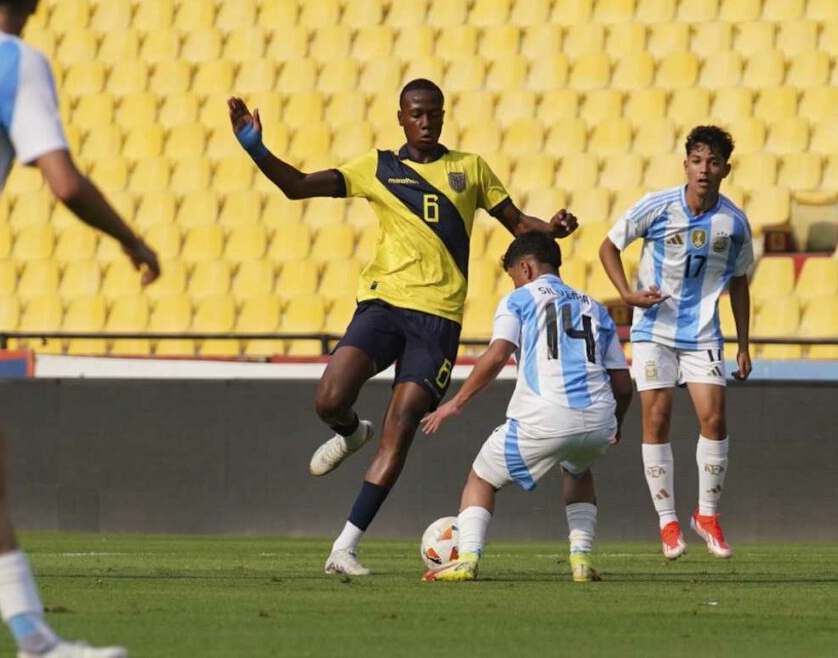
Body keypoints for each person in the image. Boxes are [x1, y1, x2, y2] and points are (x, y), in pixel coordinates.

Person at [228, 79, 578, 576]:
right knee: (328, 399)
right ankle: (350, 433)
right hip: (384, 307)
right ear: (400, 117)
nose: (427, 122)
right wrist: (256, 148)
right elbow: (297, 187)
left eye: (434, 113)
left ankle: (344, 548)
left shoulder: (470, 169)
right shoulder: (377, 168)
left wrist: (551, 228)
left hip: (437, 321)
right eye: (417, 114)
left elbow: (517, 222)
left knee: (403, 423)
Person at [0, 0, 160, 656]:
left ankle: (33, 636)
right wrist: (130, 238)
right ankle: (35, 640)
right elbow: (62, 181)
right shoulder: (15, 60)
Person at [419, 232, 633, 582]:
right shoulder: (596, 307)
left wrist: (455, 403)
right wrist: (616, 424)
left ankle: (467, 559)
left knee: (481, 477)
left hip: (545, 417)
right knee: (577, 470)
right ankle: (581, 560)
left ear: (526, 267)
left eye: (513, 275)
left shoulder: (519, 299)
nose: (514, 281)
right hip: (599, 419)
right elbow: (623, 385)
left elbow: (498, 353)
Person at [598, 125, 752, 561]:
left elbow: (739, 282)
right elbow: (608, 246)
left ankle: (706, 515)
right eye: (697, 161)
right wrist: (627, 295)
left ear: (725, 169)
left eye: (714, 162)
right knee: (658, 417)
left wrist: (743, 343)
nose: (705, 170)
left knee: (715, 418)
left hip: (703, 331)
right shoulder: (657, 206)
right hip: (653, 330)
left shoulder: (734, 222)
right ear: (686, 165)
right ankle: (667, 520)